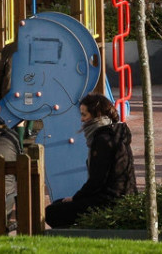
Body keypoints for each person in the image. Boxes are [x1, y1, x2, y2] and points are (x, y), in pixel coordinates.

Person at [45, 94, 137, 228]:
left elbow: (97, 181)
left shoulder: (102, 140)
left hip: (110, 200)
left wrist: (76, 198)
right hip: (121, 196)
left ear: (97, 115)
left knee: (52, 212)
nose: (82, 120)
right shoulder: (116, 133)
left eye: (84, 115)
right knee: (59, 205)